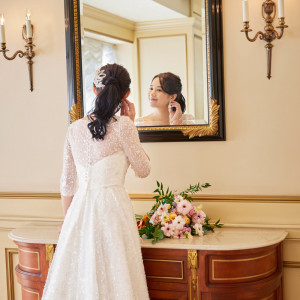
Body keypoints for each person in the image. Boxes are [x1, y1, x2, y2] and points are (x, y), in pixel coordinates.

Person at [42, 63, 150, 300]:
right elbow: (143, 170)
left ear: (94, 90)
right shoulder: (125, 127)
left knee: (81, 275)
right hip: (113, 210)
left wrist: (67, 220)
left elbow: (67, 181)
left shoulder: (74, 128)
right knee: (116, 274)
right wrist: (132, 126)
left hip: (79, 212)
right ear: (126, 95)